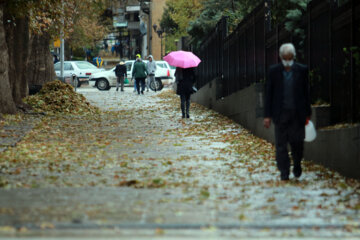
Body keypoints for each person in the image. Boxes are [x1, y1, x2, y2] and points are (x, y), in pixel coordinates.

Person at [264, 43, 311, 181]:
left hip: (298, 114)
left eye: (289, 57)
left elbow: (306, 92)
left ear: (293, 56)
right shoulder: (274, 71)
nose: (287, 60)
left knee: (297, 142)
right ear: (281, 57)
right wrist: (267, 115)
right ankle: (284, 171)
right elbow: (269, 94)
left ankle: (297, 163)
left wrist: (308, 113)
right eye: (285, 57)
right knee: (281, 145)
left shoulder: (302, 70)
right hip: (280, 114)